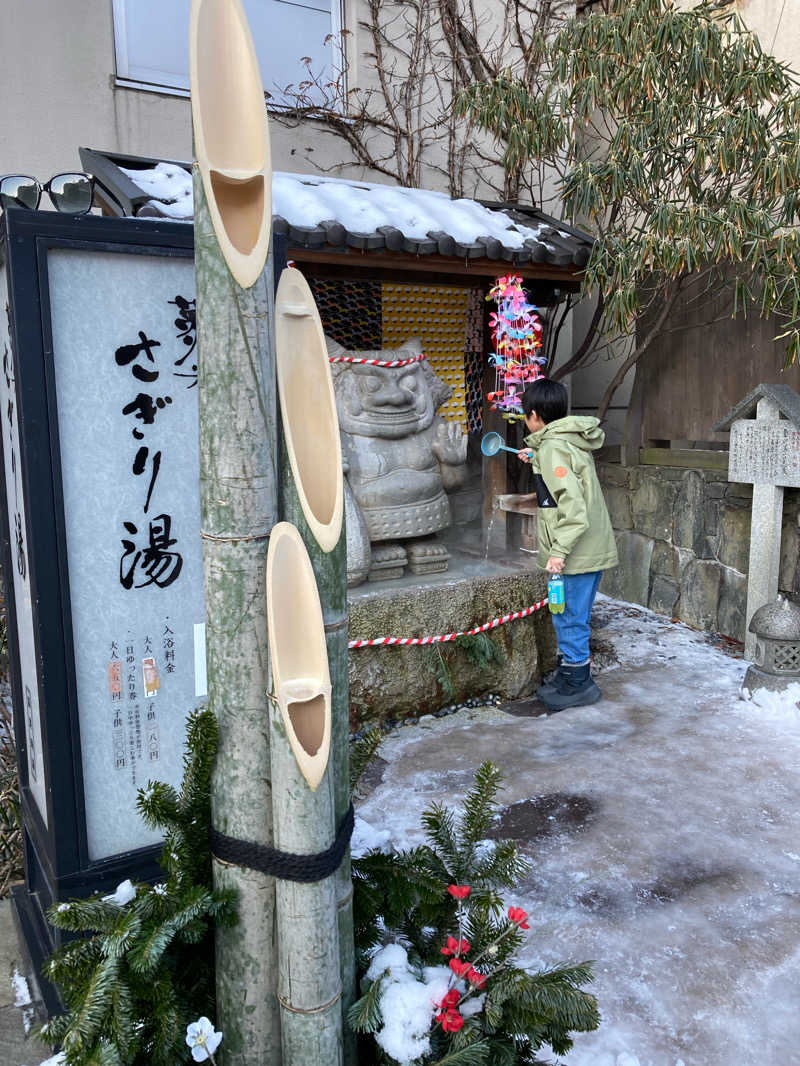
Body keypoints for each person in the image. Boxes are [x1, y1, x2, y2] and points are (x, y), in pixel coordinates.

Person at [517, 378, 618, 709]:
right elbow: (564, 479)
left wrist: (558, 552)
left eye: (524, 414)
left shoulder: (553, 449)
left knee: (569, 616)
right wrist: (536, 458)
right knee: (571, 614)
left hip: (575, 550)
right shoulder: (566, 441)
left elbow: (573, 509)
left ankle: (578, 684)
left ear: (534, 415)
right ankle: (571, 673)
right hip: (589, 547)